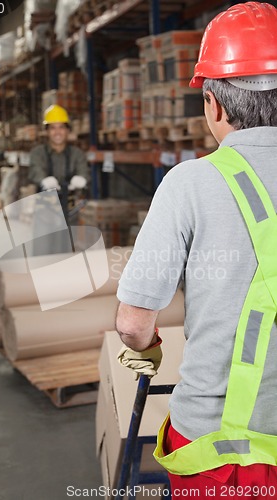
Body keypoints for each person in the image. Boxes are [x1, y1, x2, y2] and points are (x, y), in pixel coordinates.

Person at [115, 2, 277, 498]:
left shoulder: (190, 183)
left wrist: (147, 349)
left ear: (214, 104)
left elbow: (133, 322)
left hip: (226, 447)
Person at [28, 104, 89, 218]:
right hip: (44, 214)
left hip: (71, 212)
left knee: (71, 235)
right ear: (47, 131)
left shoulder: (77, 153)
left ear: (68, 130)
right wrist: (43, 181)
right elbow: (36, 170)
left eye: (61, 127)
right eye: (53, 128)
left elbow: (83, 170)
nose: (57, 132)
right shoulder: (38, 153)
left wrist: (82, 178)